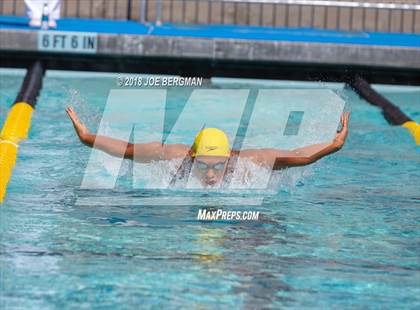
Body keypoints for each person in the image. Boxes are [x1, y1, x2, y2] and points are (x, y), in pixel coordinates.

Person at [66, 107, 350, 187]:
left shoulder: (249, 162)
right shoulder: (175, 156)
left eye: (218, 166)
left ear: (229, 158)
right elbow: (128, 149)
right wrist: (88, 138)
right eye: (203, 165)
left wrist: (333, 145)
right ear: (192, 156)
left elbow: (298, 156)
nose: (211, 175)